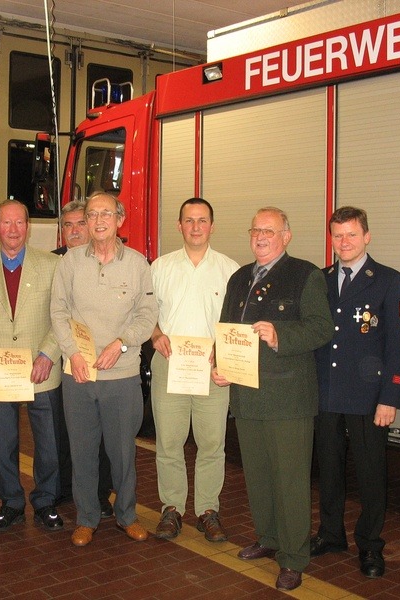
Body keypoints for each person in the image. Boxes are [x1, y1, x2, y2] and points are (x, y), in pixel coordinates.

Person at [212, 207, 333, 591]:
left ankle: (294, 556)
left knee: (291, 480)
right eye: (255, 230)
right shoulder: (238, 278)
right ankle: (268, 537)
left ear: (286, 235)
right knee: (259, 475)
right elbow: (227, 328)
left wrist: (280, 334)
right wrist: (218, 362)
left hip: (287, 398)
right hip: (246, 396)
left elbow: (321, 328)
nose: (260, 237)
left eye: (268, 230)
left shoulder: (305, 275)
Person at [50, 191, 158, 547]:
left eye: (106, 214)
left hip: (122, 374)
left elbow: (147, 315)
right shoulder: (70, 263)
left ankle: (127, 515)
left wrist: (121, 343)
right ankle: (86, 518)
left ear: (119, 220)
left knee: (123, 452)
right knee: (82, 450)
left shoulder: (138, 264)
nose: (98, 221)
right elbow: (59, 312)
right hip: (78, 374)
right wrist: (72, 355)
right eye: (92, 214)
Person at [312, 206, 400, 578]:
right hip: (327, 394)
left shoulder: (388, 280)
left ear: (366, 236)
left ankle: (370, 545)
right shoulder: (319, 279)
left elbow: (399, 345)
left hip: (370, 398)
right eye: (338, 235)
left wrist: (390, 397)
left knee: (371, 475)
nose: (344, 242)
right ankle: (331, 534)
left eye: (351, 234)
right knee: (330, 471)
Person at [0, 199, 64, 532]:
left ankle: (46, 501)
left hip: (41, 370)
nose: (13, 230)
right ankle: (11, 502)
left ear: (28, 227)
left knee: (48, 442)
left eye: (19, 223)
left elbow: (60, 318)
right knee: (2, 441)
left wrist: (48, 354)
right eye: (6, 223)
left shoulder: (50, 265)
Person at [150, 198, 239, 542]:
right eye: (189, 220)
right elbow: (146, 315)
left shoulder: (230, 270)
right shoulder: (160, 267)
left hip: (211, 368)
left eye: (202, 220)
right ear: (179, 225)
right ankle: (171, 509)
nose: (196, 226)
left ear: (212, 226)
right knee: (169, 442)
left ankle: (206, 510)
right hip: (170, 364)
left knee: (212, 443)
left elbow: (235, 324)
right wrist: (156, 335)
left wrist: (224, 353)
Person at [52, 199, 114, 517]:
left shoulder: (103, 262)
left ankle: (100, 495)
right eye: (69, 225)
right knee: (61, 431)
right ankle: (62, 490)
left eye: (81, 223)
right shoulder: (52, 263)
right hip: (62, 360)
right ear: (61, 230)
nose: (75, 231)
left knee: (99, 435)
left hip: (100, 363)